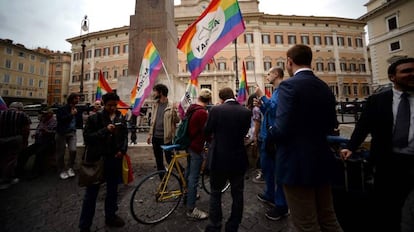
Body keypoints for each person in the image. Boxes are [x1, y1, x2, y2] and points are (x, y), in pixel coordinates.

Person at [268, 44, 342, 231]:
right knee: (328, 218)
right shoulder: (324, 86)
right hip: (322, 159)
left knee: (306, 223)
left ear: (289, 62)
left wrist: (271, 129)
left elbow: (281, 129)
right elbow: (332, 124)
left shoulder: (288, 85)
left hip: (296, 164)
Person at [340, 57, 414, 232]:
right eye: (406, 71)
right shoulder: (378, 100)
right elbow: (363, 126)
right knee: (387, 209)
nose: (412, 74)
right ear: (392, 77)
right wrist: (350, 147)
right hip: (389, 161)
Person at [79, 92, 128, 232]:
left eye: (115, 105)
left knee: (113, 190)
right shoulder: (94, 118)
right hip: (98, 160)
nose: (113, 108)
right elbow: (88, 138)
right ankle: (85, 225)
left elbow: (124, 136)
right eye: (109, 105)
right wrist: (105, 130)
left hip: (114, 159)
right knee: (91, 193)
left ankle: (111, 216)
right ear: (104, 104)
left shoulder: (120, 117)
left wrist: (122, 150)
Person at [204, 87, 251, 232]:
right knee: (237, 194)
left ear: (221, 98)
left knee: (216, 192)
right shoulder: (245, 112)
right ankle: (233, 226)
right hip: (238, 158)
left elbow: (207, 131)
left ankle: (215, 224)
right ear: (233, 96)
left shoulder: (216, 110)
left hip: (219, 158)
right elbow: (244, 132)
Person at [254, 67, 289, 221]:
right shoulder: (275, 92)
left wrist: (263, 97)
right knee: (266, 167)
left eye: (268, 73)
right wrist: (261, 104)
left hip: (275, 137)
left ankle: (281, 205)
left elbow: (276, 111)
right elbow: (269, 111)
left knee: (278, 172)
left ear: (276, 74)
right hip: (266, 136)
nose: (267, 76)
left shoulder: (282, 91)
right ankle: (270, 194)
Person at [184, 88, 212, 220]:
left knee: (188, 172)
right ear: (209, 100)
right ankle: (191, 209)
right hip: (196, 147)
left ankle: (186, 196)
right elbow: (206, 132)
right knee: (194, 178)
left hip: (189, 144)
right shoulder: (202, 113)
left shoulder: (192, 108)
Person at [146, 83, 180, 172]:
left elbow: (177, 120)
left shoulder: (171, 105)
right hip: (155, 137)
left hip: (166, 138)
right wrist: (150, 134)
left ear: (160, 92)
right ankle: (163, 182)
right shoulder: (155, 104)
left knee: (170, 160)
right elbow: (153, 120)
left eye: (155, 91)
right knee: (159, 162)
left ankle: (182, 173)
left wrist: (175, 112)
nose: (153, 93)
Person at [16, 108, 56, 179]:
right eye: (43, 113)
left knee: (39, 153)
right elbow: (38, 130)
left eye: (45, 114)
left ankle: (36, 172)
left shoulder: (54, 122)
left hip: (48, 143)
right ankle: (19, 170)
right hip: (39, 142)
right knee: (25, 152)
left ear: (50, 114)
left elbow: (55, 134)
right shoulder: (42, 121)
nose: (43, 115)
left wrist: (47, 132)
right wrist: (35, 134)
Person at [0, 102, 31, 189]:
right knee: (11, 159)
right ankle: (7, 180)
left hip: (1, 139)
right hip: (15, 139)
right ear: (20, 108)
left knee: (2, 158)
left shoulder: (1, 113)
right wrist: (25, 141)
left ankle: (2, 176)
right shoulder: (22, 115)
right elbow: (26, 130)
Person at [55, 93, 80, 180]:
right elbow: (60, 120)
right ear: (71, 99)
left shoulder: (77, 108)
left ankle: (70, 167)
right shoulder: (62, 108)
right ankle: (61, 170)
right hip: (61, 133)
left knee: (73, 150)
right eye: (76, 98)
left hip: (72, 133)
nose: (78, 100)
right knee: (60, 153)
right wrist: (71, 114)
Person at [245, 94, 262, 172]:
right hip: (255, 130)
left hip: (252, 130)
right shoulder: (256, 109)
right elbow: (256, 122)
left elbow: (255, 122)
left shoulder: (252, 109)